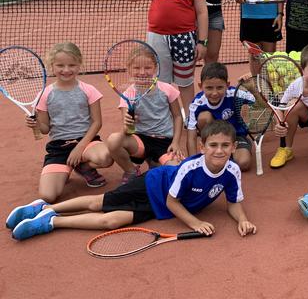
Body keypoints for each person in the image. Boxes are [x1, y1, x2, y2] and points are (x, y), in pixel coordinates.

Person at [8, 121, 257, 241]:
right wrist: (195, 222)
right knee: (98, 203)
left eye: (225, 146)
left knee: (110, 221)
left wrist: (243, 220)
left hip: (157, 207)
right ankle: (43, 207)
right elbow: (173, 201)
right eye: (213, 145)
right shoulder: (191, 168)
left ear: (234, 147)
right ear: (202, 147)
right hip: (152, 186)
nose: (219, 150)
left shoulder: (232, 171)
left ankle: (51, 222)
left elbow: (233, 203)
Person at [87, 0, 208, 111]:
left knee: (185, 82)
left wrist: (202, 42)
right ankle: (165, 119)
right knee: (160, 83)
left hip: (184, 37)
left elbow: (202, 11)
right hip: (157, 37)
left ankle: (190, 120)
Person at [24, 42, 113, 202]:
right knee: (48, 196)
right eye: (60, 65)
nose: (66, 70)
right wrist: (35, 124)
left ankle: (83, 167)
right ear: (52, 65)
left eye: (72, 65)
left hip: (86, 142)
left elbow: (97, 123)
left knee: (106, 157)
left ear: (79, 64)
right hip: (59, 148)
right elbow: (45, 129)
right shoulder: (44, 95)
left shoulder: (89, 90)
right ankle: (67, 167)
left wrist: (80, 148)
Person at [105, 44, 185, 185]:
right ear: (129, 69)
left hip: (164, 142)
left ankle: (155, 161)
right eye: (136, 68)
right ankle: (131, 171)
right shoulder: (128, 94)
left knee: (178, 173)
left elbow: (178, 116)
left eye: (147, 68)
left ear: (155, 68)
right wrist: (129, 124)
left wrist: (176, 142)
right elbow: (127, 131)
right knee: (113, 140)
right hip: (140, 141)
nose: (142, 72)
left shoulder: (167, 89)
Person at [186, 62, 254, 172]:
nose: (214, 93)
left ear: (227, 85)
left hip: (236, 135)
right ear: (200, 86)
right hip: (213, 137)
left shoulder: (235, 93)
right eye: (209, 88)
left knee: (243, 163)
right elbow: (191, 136)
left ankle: (229, 153)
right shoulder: (197, 104)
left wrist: (251, 87)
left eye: (219, 87)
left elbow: (260, 104)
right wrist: (192, 163)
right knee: (204, 117)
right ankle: (212, 148)